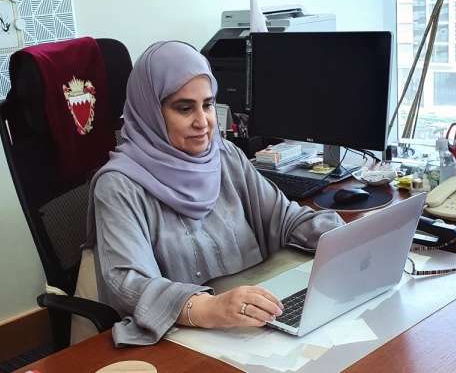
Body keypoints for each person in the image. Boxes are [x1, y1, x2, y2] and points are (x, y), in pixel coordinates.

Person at [84, 40, 345, 346]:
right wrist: (208, 307)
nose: (203, 122)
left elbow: (285, 218)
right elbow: (127, 282)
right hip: (181, 338)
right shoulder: (118, 186)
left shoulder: (225, 155)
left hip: (254, 321)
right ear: (150, 112)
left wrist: (344, 236)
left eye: (207, 105)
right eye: (184, 108)